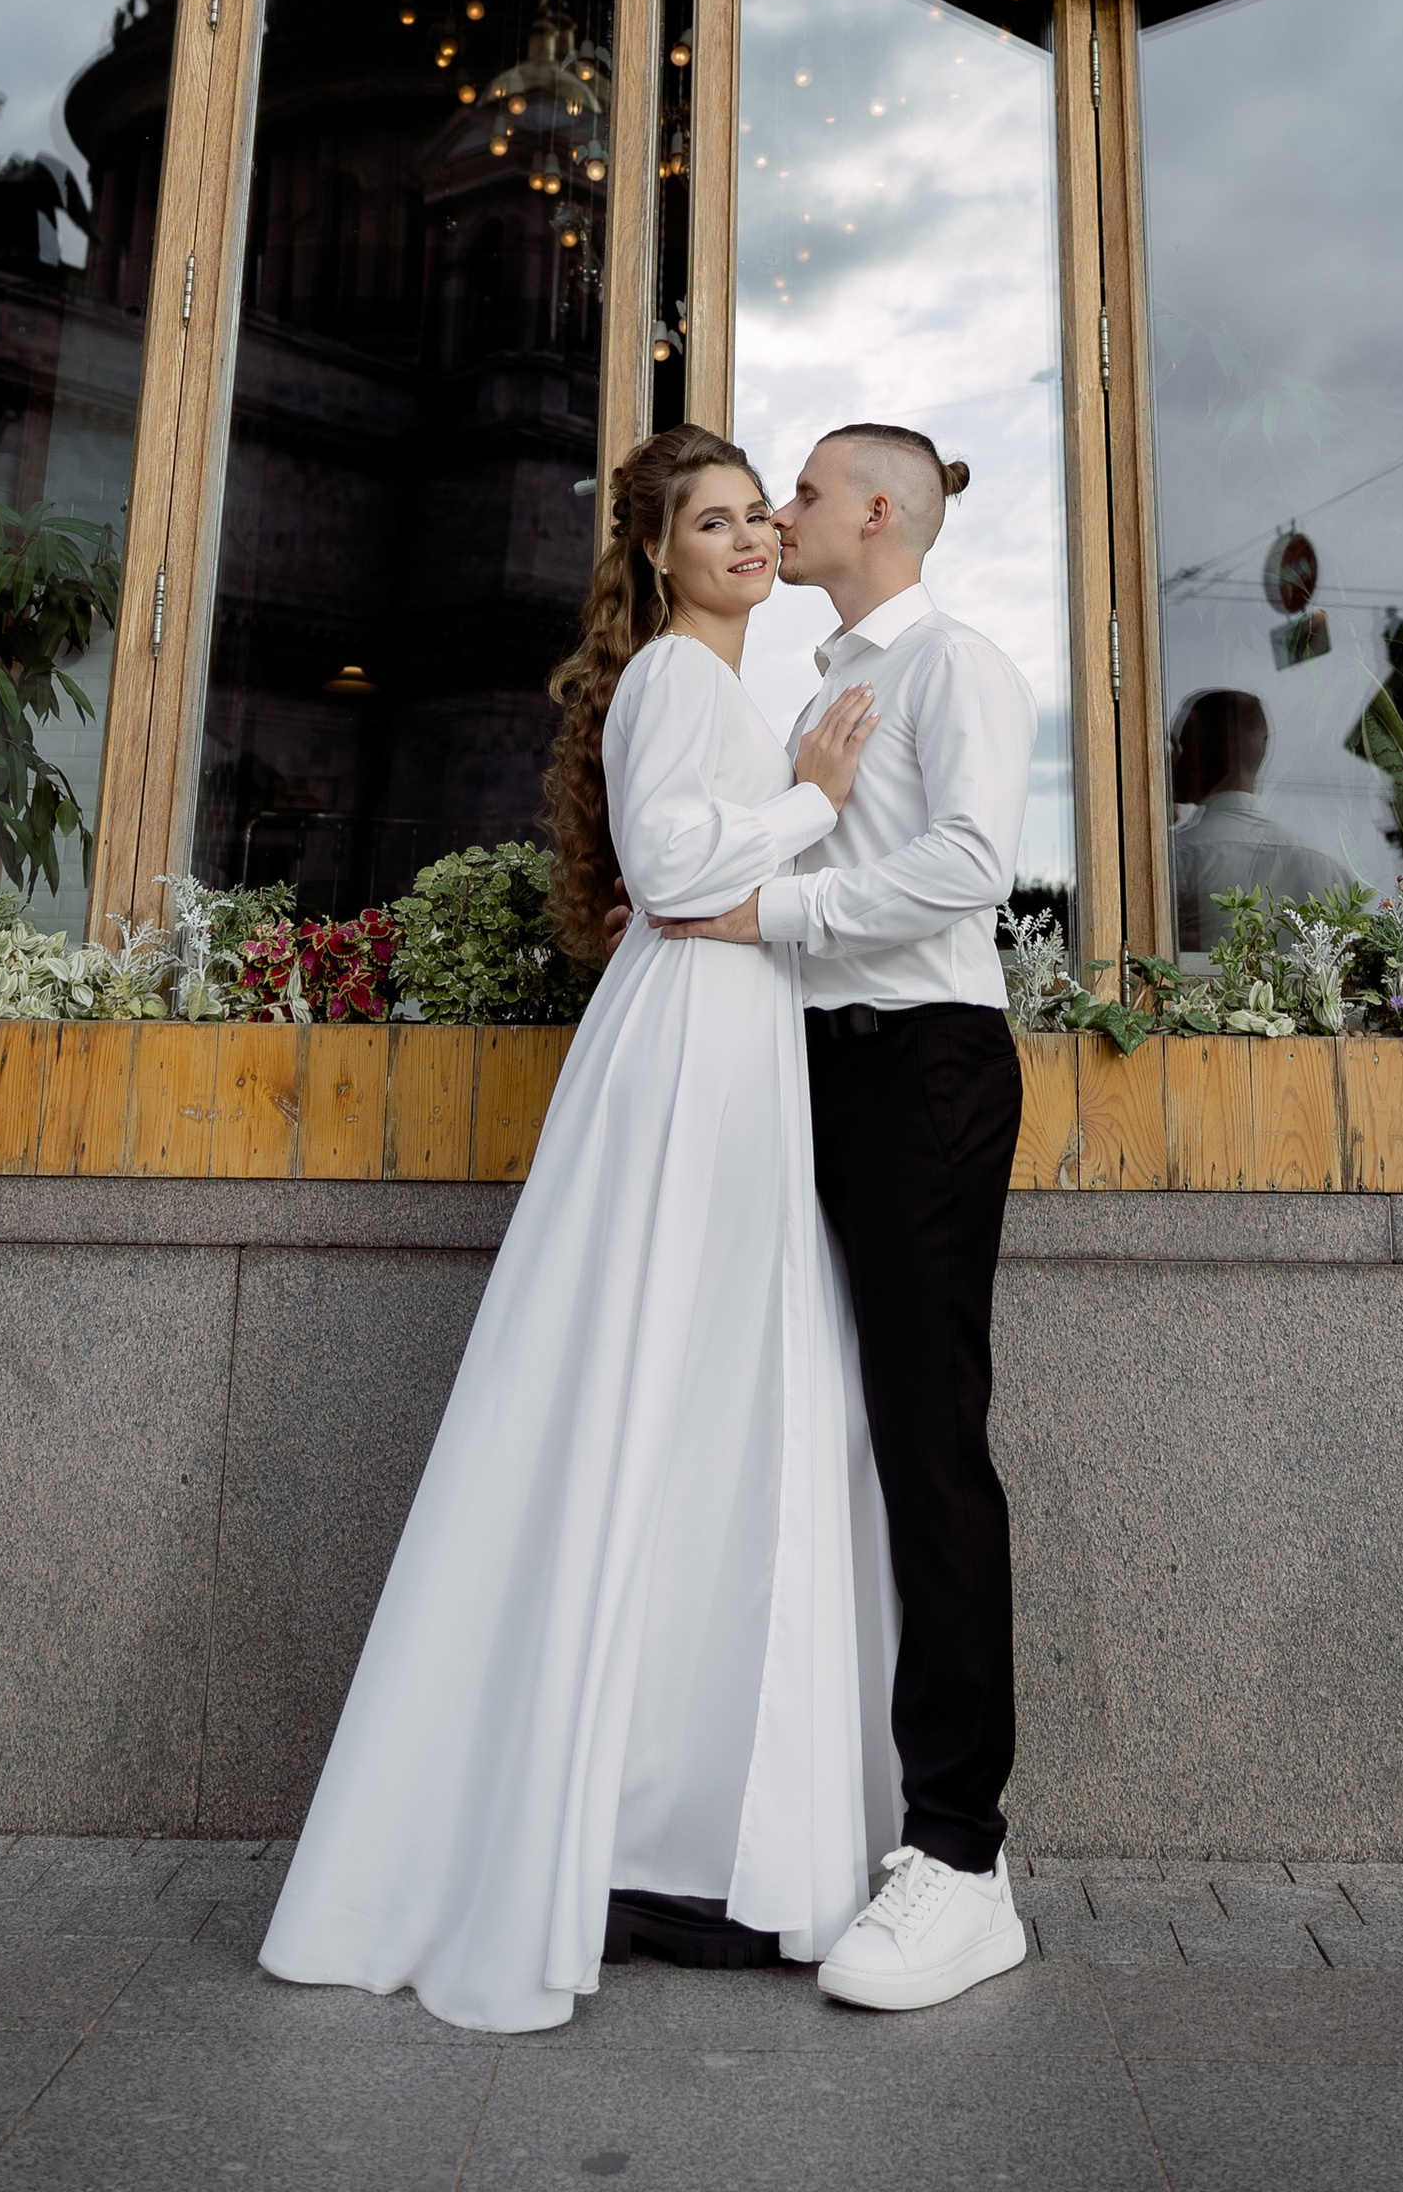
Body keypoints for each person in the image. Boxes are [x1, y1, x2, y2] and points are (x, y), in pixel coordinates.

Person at [258, 424, 893, 2034]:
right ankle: (615, 1832)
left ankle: (645, 1825)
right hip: (690, 1046)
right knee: (660, 1399)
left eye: (761, 516)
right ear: (658, 556)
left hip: (716, 1037)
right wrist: (812, 804)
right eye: (714, 523)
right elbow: (676, 874)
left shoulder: (711, 689)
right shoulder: (681, 679)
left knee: (674, 1418)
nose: (750, 540)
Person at [651, 423, 1035, 2016]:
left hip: (921, 1071)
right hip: (810, 1073)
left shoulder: (959, 666)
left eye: (801, 494)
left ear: (881, 512)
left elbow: (969, 865)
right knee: (827, 1436)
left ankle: (960, 1860)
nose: (781, 517)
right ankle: (824, 1826)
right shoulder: (808, 694)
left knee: (928, 1442)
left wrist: (773, 908)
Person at [1168, 685, 1344, 950]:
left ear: (1195, 753)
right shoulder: (1331, 873)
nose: (1171, 760)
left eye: (1178, 746)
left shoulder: (1177, 861)